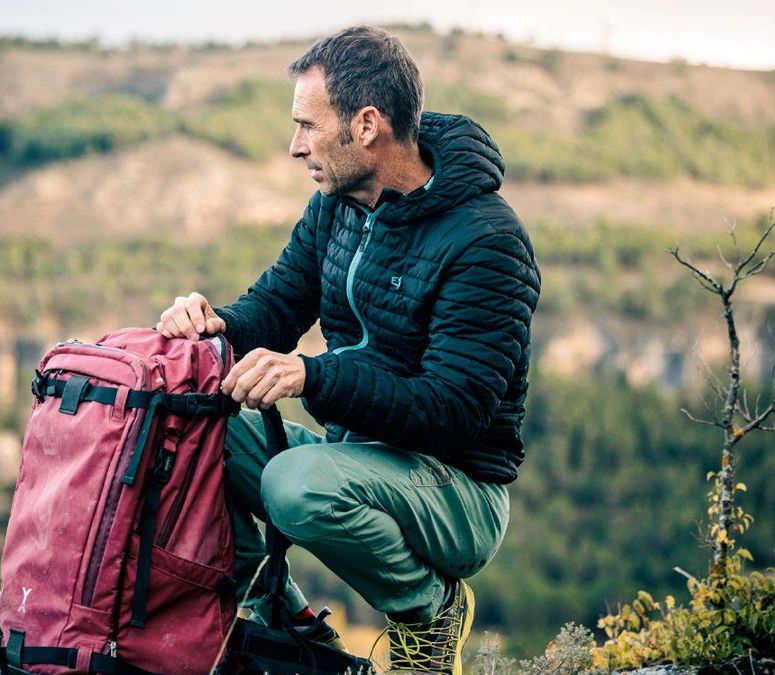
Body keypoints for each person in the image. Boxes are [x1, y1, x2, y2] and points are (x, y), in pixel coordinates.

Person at [156, 25, 540, 674]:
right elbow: (275, 309)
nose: (295, 145)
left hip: (457, 489)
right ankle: (277, 620)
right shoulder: (335, 207)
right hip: (355, 456)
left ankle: (430, 609)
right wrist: (209, 325)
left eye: (308, 125)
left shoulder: (486, 241)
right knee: (187, 427)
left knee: (292, 485)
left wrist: (312, 376)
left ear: (366, 126)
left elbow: (451, 410)